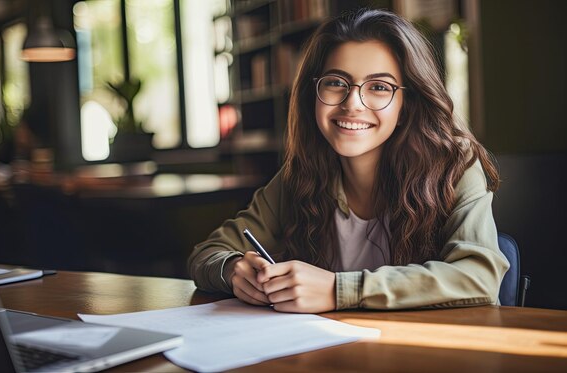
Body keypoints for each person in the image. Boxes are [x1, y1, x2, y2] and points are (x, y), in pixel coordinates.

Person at [188, 9, 509, 313]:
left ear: (406, 106)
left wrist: (336, 290)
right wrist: (232, 270)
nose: (352, 103)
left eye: (379, 87)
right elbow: (206, 254)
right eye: (336, 82)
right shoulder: (301, 176)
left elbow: (479, 277)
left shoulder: (454, 166)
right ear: (314, 93)